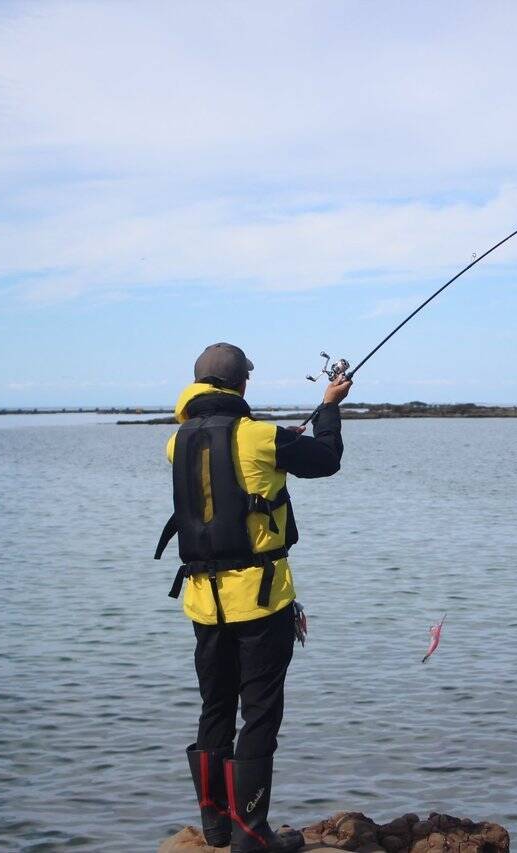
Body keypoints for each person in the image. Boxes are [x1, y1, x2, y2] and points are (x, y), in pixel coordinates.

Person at [155, 342, 350, 853]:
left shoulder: (176, 442)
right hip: (261, 603)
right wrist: (330, 408)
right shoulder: (262, 437)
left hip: (202, 601)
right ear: (242, 384)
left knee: (215, 706)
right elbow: (326, 460)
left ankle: (216, 828)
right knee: (260, 713)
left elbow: (231, 476)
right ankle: (250, 834)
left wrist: (279, 446)